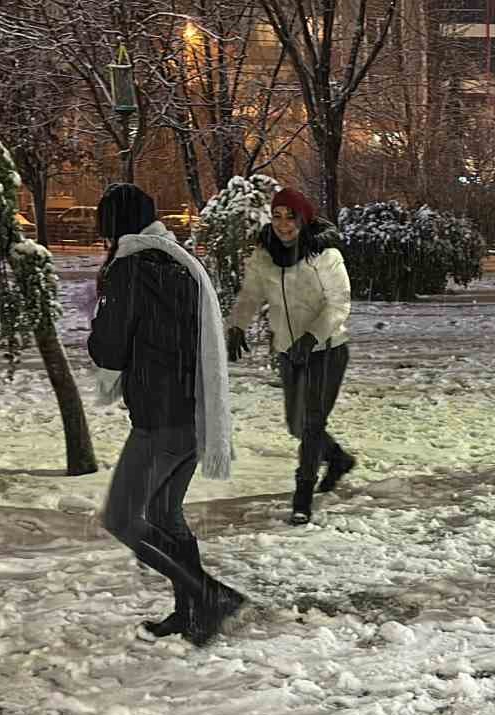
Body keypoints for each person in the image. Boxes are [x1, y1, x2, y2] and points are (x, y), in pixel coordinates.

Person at [88, 183, 246, 646]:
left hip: (161, 418)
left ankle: (207, 595)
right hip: (196, 412)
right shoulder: (179, 264)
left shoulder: (131, 270)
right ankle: (191, 611)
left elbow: (110, 345)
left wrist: (96, 323)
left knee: (121, 518)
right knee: (164, 512)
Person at [226, 187, 354, 525]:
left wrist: (312, 337)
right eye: (278, 216)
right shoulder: (264, 255)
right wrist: (237, 325)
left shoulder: (325, 255)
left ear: (303, 218)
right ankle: (338, 459)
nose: (284, 225)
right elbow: (251, 295)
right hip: (287, 350)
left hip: (327, 350)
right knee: (296, 424)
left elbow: (338, 303)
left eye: (291, 217)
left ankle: (303, 496)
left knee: (312, 422)